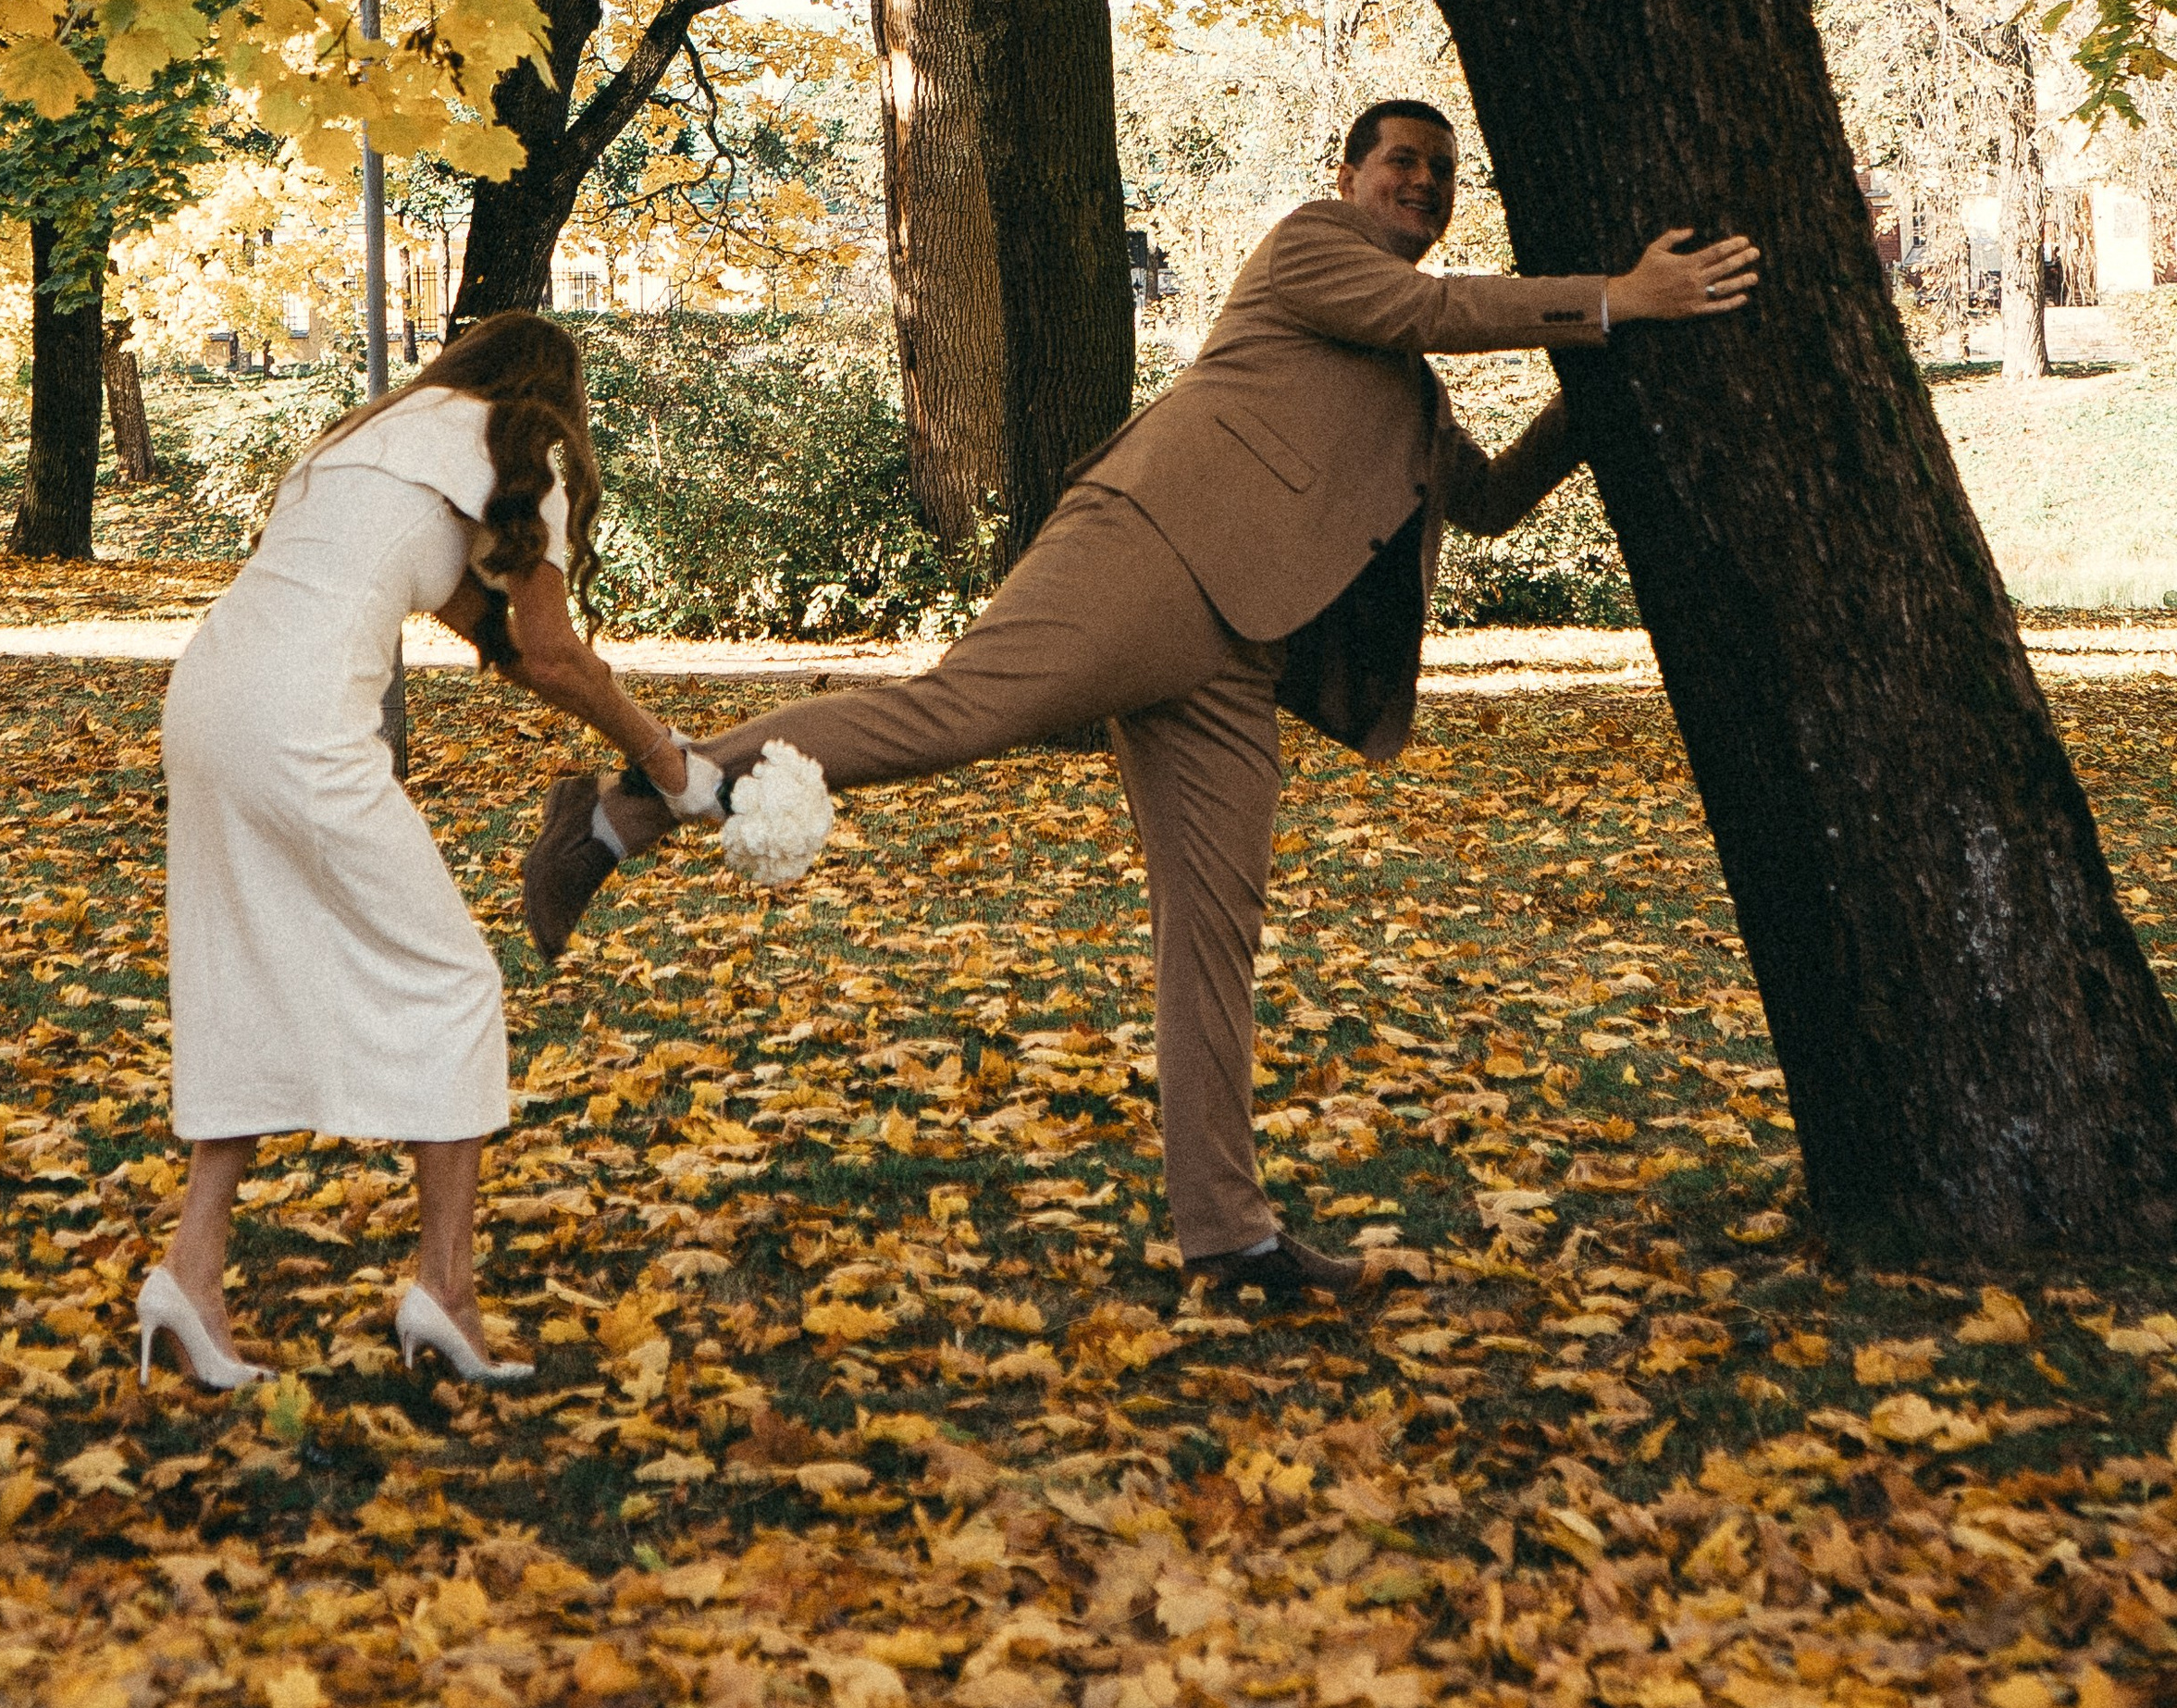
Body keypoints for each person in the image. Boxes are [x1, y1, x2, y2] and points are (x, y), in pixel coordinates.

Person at [522, 105, 1758, 1311]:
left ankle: (1230, 1240)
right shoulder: (1312, 249)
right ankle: (628, 807)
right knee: (952, 714)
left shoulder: (1419, 402)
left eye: (1440, 173)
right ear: (1349, 174)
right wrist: (1614, 297)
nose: (1421, 184)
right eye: (1400, 161)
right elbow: (1429, 307)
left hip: (1238, 659)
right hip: (1149, 552)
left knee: (1214, 930)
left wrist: (1605, 388)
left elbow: (1483, 502)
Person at [139, 312, 714, 1392]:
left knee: (249, 982)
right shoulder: (514, 452)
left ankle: (190, 1273)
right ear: (555, 399)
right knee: (454, 981)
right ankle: (444, 1291)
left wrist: (628, 735)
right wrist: (668, 762)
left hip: (205, 702)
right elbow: (548, 655)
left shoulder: (368, 438)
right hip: (300, 726)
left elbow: (479, 624)